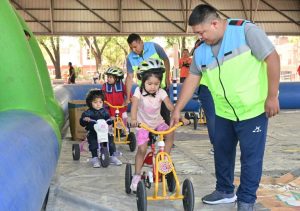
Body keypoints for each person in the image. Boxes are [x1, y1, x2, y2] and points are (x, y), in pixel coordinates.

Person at [171, 4, 280, 211]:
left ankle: (246, 200)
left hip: (252, 111)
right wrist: (177, 109)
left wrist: (272, 96)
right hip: (223, 112)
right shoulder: (201, 51)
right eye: (197, 33)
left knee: (251, 158)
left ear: (215, 23)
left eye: (201, 32)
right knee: (221, 151)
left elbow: (272, 58)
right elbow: (192, 80)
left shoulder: (245, 31)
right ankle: (224, 190)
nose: (200, 37)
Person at [129, 58, 175, 191]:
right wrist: (133, 119)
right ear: (142, 81)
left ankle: (164, 159)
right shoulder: (138, 91)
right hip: (142, 124)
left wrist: (179, 115)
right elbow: (134, 106)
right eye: (149, 83)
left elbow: (170, 106)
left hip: (158, 123)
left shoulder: (161, 92)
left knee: (170, 131)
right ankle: (137, 175)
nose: (153, 86)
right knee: (142, 149)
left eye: (156, 83)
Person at [125, 33, 175, 149]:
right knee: (145, 113)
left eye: (135, 46)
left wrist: (167, 77)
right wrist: (128, 96)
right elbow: (129, 76)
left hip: (160, 87)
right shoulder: (130, 58)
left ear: (141, 42)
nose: (134, 50)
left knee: (164, 112)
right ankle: (148, 137)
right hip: (144, 91)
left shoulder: (154, 47)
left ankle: (166, 137)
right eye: (131, 47)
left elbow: (166, 60)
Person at [80, 89, 122, 167]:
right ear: (90, 103)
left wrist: (112, 120)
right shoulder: (88, 113)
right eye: (95, 102)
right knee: (93, 143)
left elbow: (108, 120)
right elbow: (82, 122)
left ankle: (112, 156)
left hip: (103, 131)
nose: (98, 104)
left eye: (100, 102)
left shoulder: (104, 112)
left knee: (110, 141)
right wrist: (85, 119)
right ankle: (95, 157)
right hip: (93, 132)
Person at [191, 39, 215, 155]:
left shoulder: (200, 53)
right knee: (216, 118)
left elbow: (194, 76)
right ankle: (219, 145)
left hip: (207, 87)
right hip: (211, 87)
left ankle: (217, 145)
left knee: (212, 118)